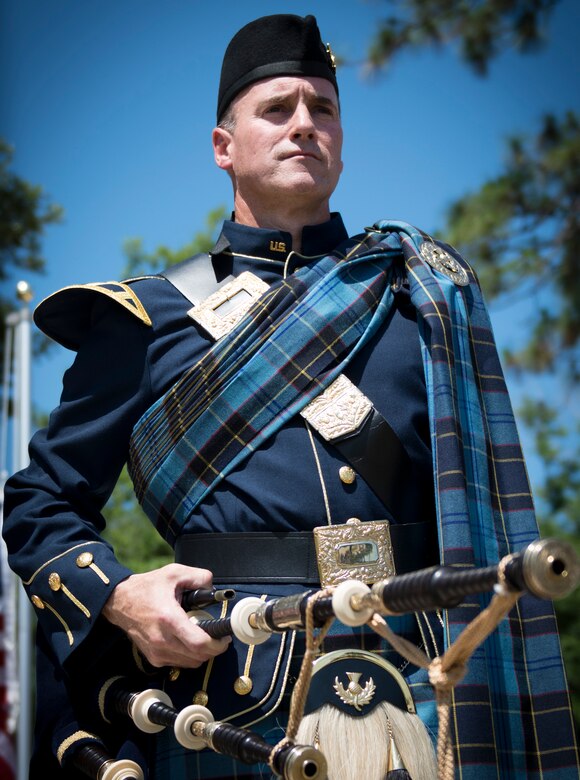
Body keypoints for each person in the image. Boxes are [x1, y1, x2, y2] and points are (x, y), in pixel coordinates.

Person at [2, 13, 578, 780]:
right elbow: (40, 501)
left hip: (427, 686)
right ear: (223, 147)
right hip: (237, 700)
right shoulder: (146, 319)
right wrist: (119, 595)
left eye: (323, 109)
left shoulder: (420, 298)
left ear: (340, 138)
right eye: (277, 109)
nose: (304, 124)